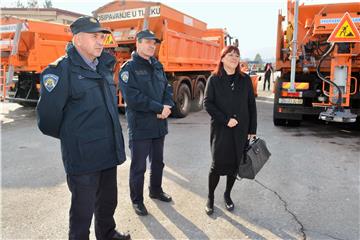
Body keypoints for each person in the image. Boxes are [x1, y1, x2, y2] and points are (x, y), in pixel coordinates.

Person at [37, 16, 130, 240]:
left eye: (101, 36)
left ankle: (107, 234)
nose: (100, 41)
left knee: (108, 201)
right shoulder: (60, 71)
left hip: (108, 151)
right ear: (78, 39)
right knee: (82, 211)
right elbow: (47, 120)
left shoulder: (103, 66)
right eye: (94, 36)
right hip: (83, 157)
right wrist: (75, 137)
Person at [119, 30, 174, 216]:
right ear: (138, 43)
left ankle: (156, 190)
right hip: (141, 126)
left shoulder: (157, 65)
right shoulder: (129, 68)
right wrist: (159, 108)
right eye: (148, 42)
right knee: (139, 167)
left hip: (159, 125)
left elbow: (167, 88)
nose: (152, 46)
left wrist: (167, 105)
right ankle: (137, 201)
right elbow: (133, 98)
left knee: (158, 162)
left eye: (154, 43)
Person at [203, 45, 257, 215]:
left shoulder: (245, 80)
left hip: (241, 130)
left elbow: (251, 106)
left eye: (237, 55)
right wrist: (226, 120)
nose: (234, 58)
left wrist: (252, 129)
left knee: (235, 165)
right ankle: (210, 197)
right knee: (217, 165)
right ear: (222, 58)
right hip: (221, 130)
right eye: (230, 55)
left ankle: (227, 195)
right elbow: (207, 103)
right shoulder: (214, 79)